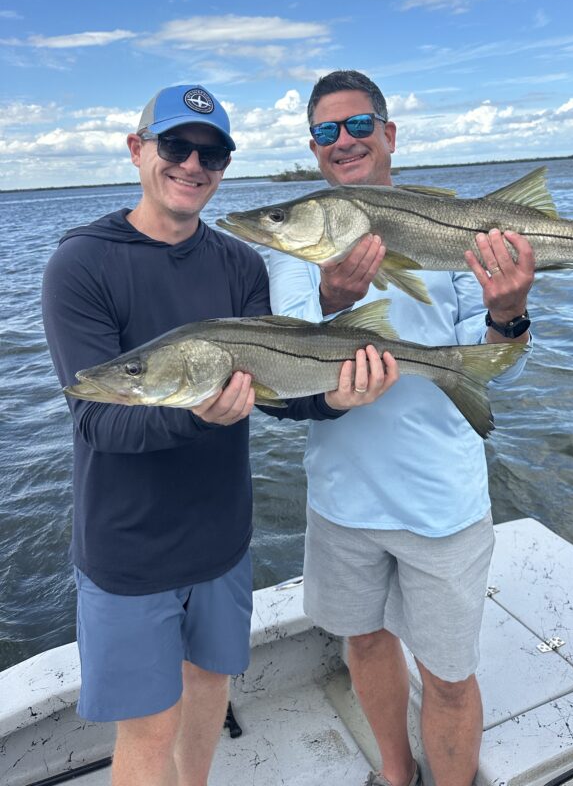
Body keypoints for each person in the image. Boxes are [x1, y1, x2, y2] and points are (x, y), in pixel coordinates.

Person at [41, 83, 398, 786]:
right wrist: (192, 412)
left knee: (209, 690)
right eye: (177, 146)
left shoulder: (238, 262)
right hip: (127, 549)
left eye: (213, 153)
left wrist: (337, 397)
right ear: (138, 149)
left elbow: (273, 397)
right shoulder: (80, 265)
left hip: (222, 539)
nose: (193, 165)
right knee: (147, 729)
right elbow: (96, 416)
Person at [268, 70, 535, 786]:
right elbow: (285, 378)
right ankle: (395, 776)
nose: (344, 140)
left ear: (389, 134)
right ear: (315, 148)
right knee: (363, 643)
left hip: (440, 503)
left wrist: (508, 313)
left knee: (448, 676)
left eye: (359, 125)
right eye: (326, 131)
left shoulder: (451, 234)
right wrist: (331, 300)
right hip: (340, 502)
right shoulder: (295, 243)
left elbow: (490, 367)